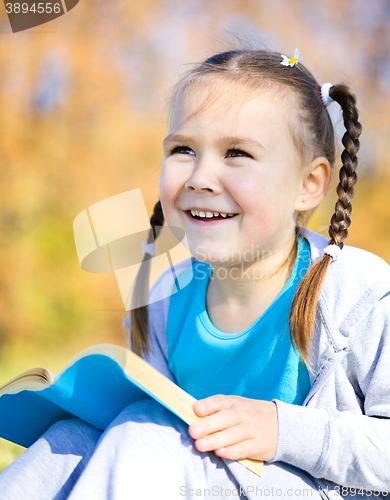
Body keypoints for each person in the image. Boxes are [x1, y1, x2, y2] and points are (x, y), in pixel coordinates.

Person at [1, 47, 390, 500]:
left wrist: (283, 430)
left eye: (237, 153)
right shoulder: (167, 295)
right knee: (72, 441)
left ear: (309, 184)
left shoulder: (357, 295)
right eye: (183, 149)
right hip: (191, 477)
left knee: (142, 435)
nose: (200, 176)